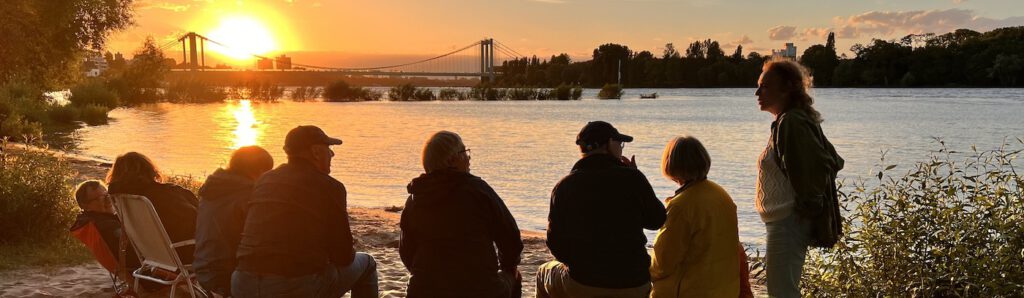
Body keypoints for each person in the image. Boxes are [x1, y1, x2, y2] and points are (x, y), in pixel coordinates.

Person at [232, 125, 378, 298]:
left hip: (242, 282)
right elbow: (344, 256)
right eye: (328, 149)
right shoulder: (331, 186)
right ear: (316, 152)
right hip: (292, 286)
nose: (332, 154)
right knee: (368, 264)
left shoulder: (265, 180)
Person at [538, 121, 667, 298]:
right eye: (619, 143)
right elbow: (657, 220)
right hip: (634, 283)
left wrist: (579, 264)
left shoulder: (564, 186)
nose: (621, 148)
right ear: (608, 144)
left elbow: (555, 244)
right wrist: (637, 177)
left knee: (543, 272)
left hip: (584, 282)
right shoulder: (633, 179)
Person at [754, 58, 844, 297]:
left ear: (788, 88)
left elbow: (818, 167)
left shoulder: (792, 122)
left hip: (788, 220)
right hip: (785, 220)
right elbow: (830, 160)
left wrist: (807, 210)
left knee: (781, 291)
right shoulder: (788, 120)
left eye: (764, 86)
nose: (757, 92)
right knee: (782, 289)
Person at [400, 131, 524, 297]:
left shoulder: (415, 200)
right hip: (480, 291)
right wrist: (508, 267)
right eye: (464, 152)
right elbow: (511, 238)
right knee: (514, 277)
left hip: (423, 291)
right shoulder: (477, 190)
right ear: (452, 160)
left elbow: (406, 252)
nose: (468, 158)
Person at [649, 136, 750, 297]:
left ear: (670, 164)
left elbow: (663, 262)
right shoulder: (721, 194)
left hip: (690, 291)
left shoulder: (682, 206)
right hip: (724, 290)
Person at [194, 146, 274, 297]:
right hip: (228, 274)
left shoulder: (213, 189)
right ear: (258, 171)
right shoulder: (248, 195)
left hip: (204, 269)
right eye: (267, 172)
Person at [106, 152, 199, 264]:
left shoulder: (121, 198)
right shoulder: (169, 194)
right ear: (150, 170)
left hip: (151, 255)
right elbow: (199, 221)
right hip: (183, 254)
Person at [69, 180, 140, 270]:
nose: (108, 199)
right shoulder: (107, 226)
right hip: (142, 270)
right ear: (85, 206)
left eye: (107, 195)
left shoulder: (90, 221)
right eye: (100, 198)